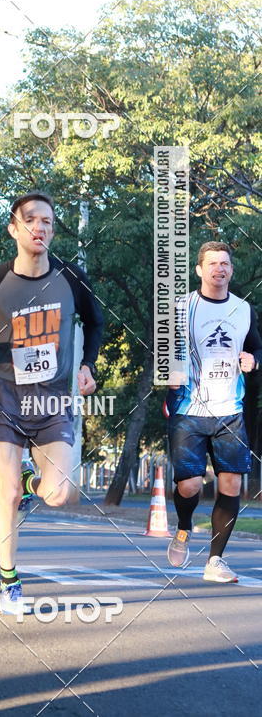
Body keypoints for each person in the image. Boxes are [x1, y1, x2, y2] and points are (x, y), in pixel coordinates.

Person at [0, 191, 103, 615]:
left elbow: (95, 323)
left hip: (53, 399)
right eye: (31, 220)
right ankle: (9, 581)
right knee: (9, 492)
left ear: (52, 231)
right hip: (6, 394)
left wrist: (88, 364)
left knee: (58, 494)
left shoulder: (71, 277)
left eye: (47, 222)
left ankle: (32, 478)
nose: (40, 227)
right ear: (14, 229)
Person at [166, 241, 262, 582]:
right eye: (212, 263)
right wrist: (169, 376)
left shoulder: (243, 309)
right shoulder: (181, 307)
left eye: (224, 264)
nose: (219, 269)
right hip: (189, 409)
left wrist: (253, 360)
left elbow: (256, 347)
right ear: (199, 270)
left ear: (231, 270)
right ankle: (183, 526)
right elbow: (163, 351)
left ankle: (215, 560)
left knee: (231, 483)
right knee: (190, 484)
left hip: (230, 410)